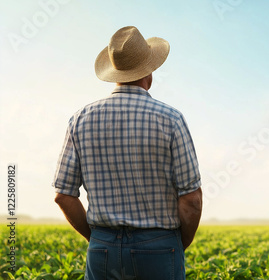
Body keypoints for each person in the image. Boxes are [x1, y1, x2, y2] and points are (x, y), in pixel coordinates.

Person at [53, 26, 202, 279]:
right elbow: (191, 199)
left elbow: (63, 196)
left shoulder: (79, 120)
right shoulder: (171, 119)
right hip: (160, 245)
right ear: (150, 73)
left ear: (115, 73)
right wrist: (177, 243)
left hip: (102, 248)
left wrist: (100, 239)